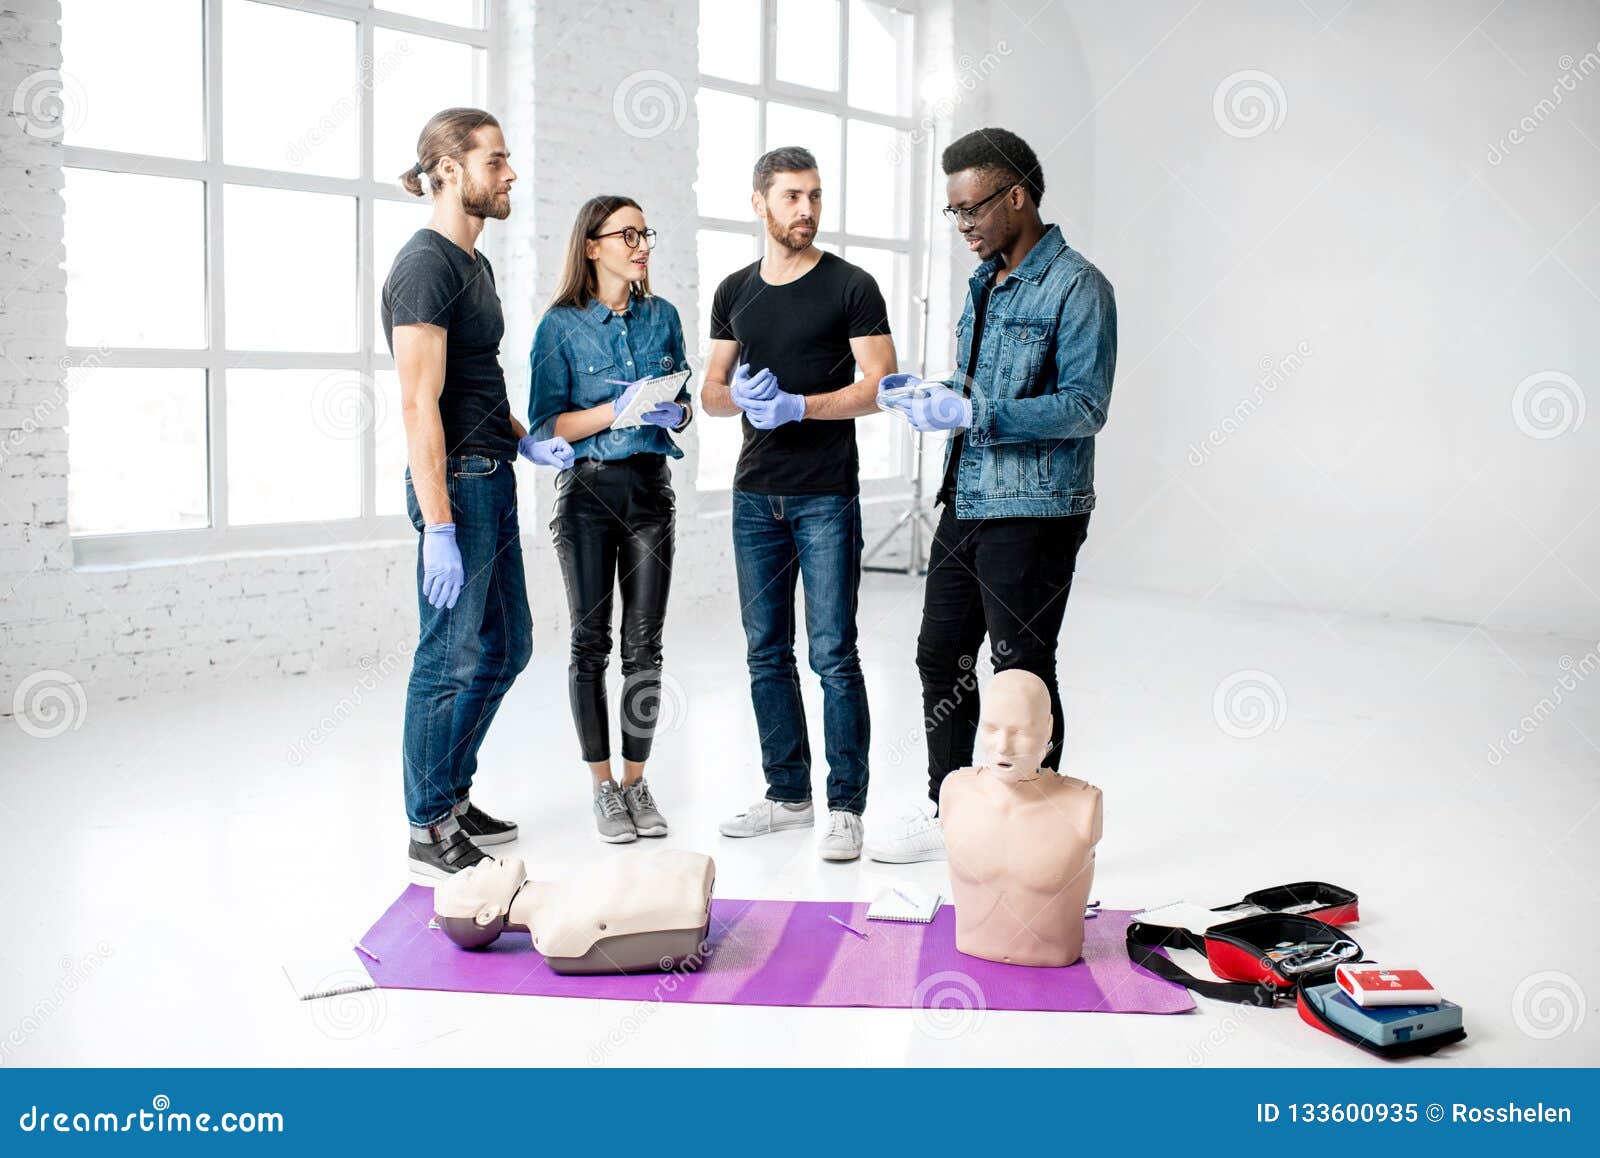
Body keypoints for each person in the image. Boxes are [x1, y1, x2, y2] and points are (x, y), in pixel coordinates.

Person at [868, 127, 1117, 864]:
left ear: (1016, 197)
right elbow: (979, 386)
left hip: (1036, 510)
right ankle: (952, 810)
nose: (961, 225)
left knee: (1022, 673)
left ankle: (1039, 830)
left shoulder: (1078, 285)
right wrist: (933, 394)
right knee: (940, 656)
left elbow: (1085, 407)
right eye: (953, 212)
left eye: (970, 208)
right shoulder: (985, 283)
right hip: (968, 498)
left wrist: (976, 412)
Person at [383, 107, 574, 879]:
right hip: (456, 488)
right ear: (449, 169)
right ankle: (427, 826)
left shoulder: (474, 264)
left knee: (507, 645)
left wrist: (522, 439)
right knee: (449, 656)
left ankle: (452, 795)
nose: (510, 173)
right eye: (495, 160)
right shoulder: (424, 267)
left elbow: (475, 383)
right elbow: (417, 404)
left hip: (490, 475)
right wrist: (438, 526)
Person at [701, 146, 898, 862]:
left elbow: (881, 384)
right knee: (765, 651)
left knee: (833, 653)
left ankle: (846, 807)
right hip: (755, 496)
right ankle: (788, 796)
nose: (806, 209)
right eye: (791, 196)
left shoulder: (851, 285)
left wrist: (799, 406)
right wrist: (737, 398)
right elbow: (709, 392)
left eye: (814, 195)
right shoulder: (734, 290)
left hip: (825, 496)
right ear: (759, 203)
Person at [528, 196, 693, 844]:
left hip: (651, 491)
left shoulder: (663, 317)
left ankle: (635, 782)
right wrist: (614, 412)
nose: (641, 244)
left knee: (645, 645)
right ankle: (602, 786)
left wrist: (674, 413)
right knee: (589, 643)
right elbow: (546, 425)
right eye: (628, 234)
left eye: (645, 232)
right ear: (592, 246)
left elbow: (683, 401)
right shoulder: (560, 327)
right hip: (588, 496)